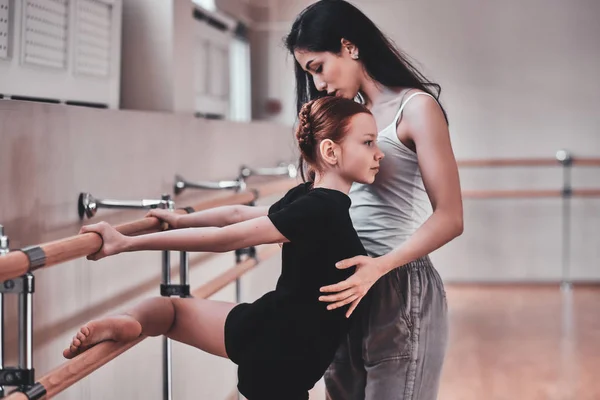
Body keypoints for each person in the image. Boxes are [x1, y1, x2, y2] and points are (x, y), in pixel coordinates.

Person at [63, 96, 385, 400]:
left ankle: (134, 320)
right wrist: (128, 242)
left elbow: (235, 215)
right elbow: (227, 236)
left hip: (270, 328)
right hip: (285, 354)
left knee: (170, 312)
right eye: (368, 142)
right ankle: (128, 323)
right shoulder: (321, 209)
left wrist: (180, 219)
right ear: (330, 151)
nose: (379, 153)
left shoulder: (310, 198)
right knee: (172, 312)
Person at [285, 1, 464, 399]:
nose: (316, 84)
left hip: (395, 284)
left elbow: (451, 216)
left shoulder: (415, 108)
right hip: (343, 288)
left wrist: (378, 268)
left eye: (317, 67)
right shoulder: (345, 122)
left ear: (349, 46)